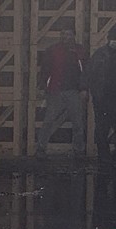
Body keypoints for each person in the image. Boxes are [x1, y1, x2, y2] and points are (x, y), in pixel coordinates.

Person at [83, 28, 116, 166]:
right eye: (113, 38)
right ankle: (103, 155)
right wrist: (86, 89)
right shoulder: (99, 54)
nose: (115, 42)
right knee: (102, 127)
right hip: (103, 96)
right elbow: (89, 72)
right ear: (108, 39)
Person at [35, 25, 87, 159]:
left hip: (73, 91)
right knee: (49, 121)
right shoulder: (52, 50)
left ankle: (79, 151)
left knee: (78, 123)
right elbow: (45, 70)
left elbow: (85, 72)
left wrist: (84, 89)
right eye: (64, 34)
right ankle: (40, 148)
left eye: (69, 34)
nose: (66, 37)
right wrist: (42, 87)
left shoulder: (79, 51)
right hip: (55, 91)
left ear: (73, 36)